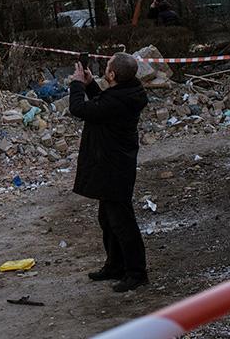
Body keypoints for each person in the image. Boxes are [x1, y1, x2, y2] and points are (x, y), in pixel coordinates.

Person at [68, 53, 149, 293]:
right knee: (108, 219)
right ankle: (115, 265)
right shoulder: (126, 93)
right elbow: (102, 105)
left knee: (123, 223)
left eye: (107, 67)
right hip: (112, 166)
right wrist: (91, 84)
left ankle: (136, 272)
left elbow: (80, 109)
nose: (105, 68)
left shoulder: (119, 100)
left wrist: (76, 84)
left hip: (114, 168)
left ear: (112, 75)